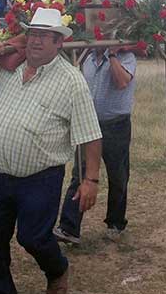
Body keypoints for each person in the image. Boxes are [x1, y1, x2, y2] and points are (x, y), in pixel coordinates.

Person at [0, 8, 103, 294]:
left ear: (58, 42)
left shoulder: (71, 82)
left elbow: (90, 135)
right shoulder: (6, 68)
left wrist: (91, 180)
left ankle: (57, 271)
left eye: (45, 35)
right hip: (0, 174)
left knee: (33, 237)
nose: (37, 40)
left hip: (41, 176)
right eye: (33, 33)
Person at [56, 45, 136, 244]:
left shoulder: (127, 57)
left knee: (118, 176)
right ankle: (69, 227)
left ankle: (115, 223)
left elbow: (122, 82)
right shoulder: (87, 57)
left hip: (116, 124)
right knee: (81, 174)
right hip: (89, 125)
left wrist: (112, 55)